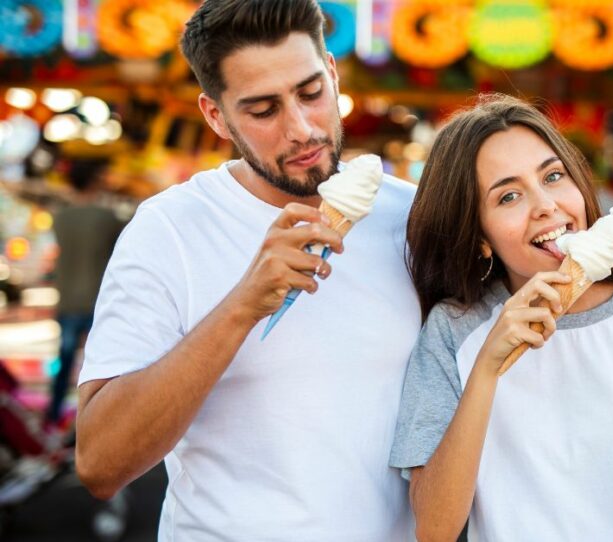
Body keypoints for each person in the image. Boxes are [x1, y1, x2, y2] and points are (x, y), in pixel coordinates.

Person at [74, 1, 420, 539]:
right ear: (217, 116)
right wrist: (243, 303)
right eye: (263, 110)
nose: (302, 129)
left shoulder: (415, 218)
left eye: (311, 93)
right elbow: (100, 462)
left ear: (332, 71)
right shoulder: (168, 230)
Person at [390, 95, 613, 542]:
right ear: (480, 237)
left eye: (553, 176)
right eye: (508, 195)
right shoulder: (455, 330)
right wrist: (487, 366)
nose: (546, 205)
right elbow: (434, 529)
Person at [47, 159, 124, 426]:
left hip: (67, 300)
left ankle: (54, 414)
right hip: (98, 301)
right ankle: (97, 423)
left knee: (65, 361)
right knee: (101, 369)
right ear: (94, 181)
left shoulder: (60, 218)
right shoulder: (107, 219)